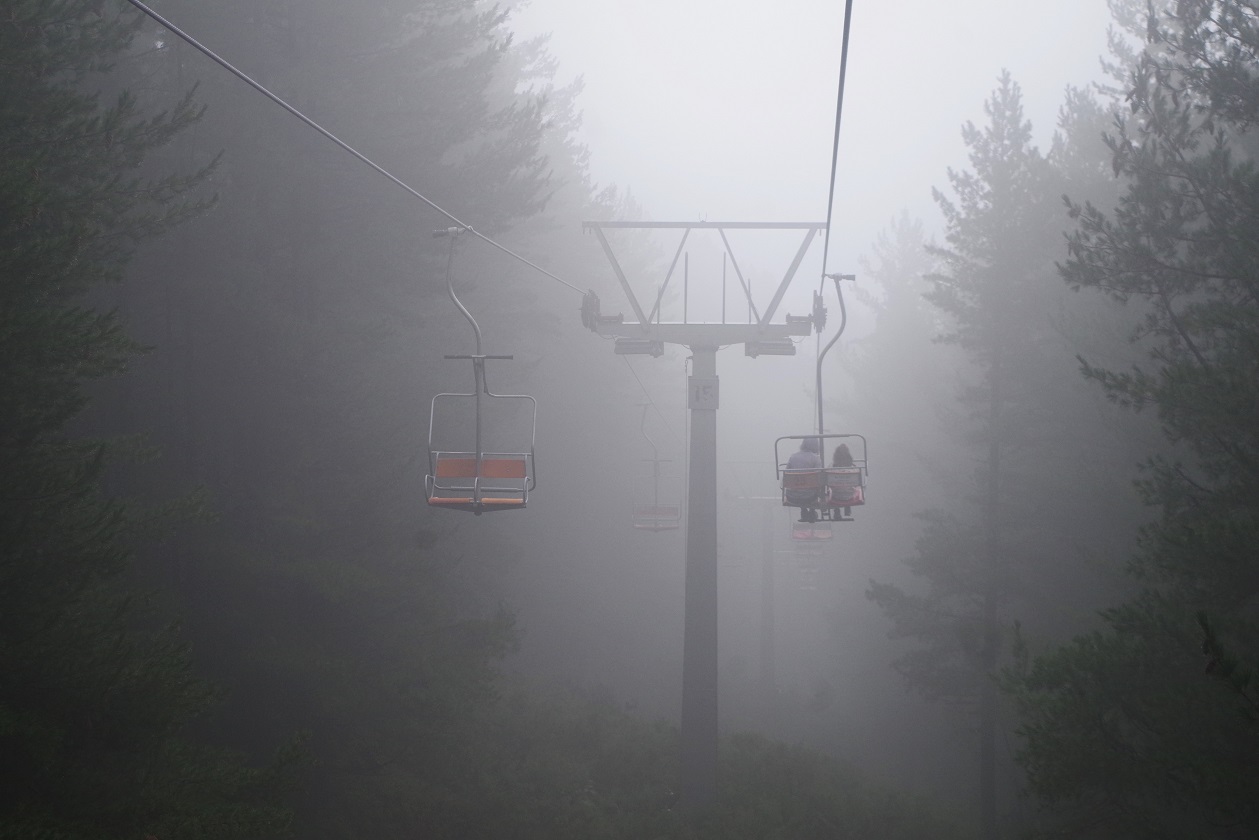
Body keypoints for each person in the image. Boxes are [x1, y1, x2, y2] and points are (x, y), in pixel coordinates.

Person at [785, 438, 824, 522]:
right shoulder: (816, 459)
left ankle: (804, 510)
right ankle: (812, 511)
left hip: (792, 497)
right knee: (811, 486)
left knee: (799, 486)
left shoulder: (793, 457)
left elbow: (786, 476)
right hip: (810, 497)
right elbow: (818, 478)